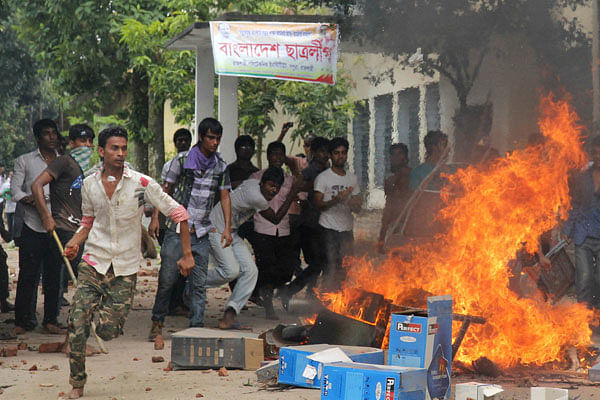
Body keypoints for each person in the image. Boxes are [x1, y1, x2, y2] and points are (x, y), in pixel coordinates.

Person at [62, 127, 194, 399]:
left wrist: (187, 253)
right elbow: (88, 222)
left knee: (109, 330)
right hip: (93, 262)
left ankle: (101, 322)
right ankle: (77, 382)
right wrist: (75, 242)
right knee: (77, 323)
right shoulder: (89, 184)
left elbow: (180, 213)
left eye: (123, 148)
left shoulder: (142, 184)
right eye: (114, 148)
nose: (121, 154)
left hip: (125, 267)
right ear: (101, 151)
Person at [149, 117, 232, 340]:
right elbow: (165, 190)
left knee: (199, 284)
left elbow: (224, 196)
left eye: (218, 138)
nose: (215, 143)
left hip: (202, 230)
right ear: (202, 138)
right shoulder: (182, 160)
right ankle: (157, 321)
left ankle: (196, 327)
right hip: (177, 229)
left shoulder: (220, 165)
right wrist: (155, 217)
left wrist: (227, 228)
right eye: (211, 138)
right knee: (167, 280)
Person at [208, 167, 291, 328]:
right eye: (271, 185)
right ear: (262, 183)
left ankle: (230, 313)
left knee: (251, 271)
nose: (274, 190)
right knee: (231, 271)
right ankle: (195, 282)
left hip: (231, 231)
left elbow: (236, 184)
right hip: (216, 229)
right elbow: (275, 218)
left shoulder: (252, 183)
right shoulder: (257, 198)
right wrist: (293, 191)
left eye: (277, 187)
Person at [31, 124, 95, 311]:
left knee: (61, 276)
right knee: (67, 275)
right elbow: (37, 185)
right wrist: (46, 217)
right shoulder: (64, 162)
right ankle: (54, 320)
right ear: (72, 143)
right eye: (83, 141)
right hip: (63, 227)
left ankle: (57, 318)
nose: (87, 145)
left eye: (90, 141)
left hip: (80, 229)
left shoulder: (86, 168)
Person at [11, 119, 62, 335]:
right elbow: (15, 191)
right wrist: (32, 200)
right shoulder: (24, 161)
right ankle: (23, 321)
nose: (51, 137)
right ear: (38, 138)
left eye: (54, 133)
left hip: (58, 225)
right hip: (33, 224)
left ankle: (51, 319)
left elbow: (75, 188)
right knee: (28, 274)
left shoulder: (64, 161)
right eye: (46, 134)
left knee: (55, 275)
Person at [250, 142, 302, 319]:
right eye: (274, 154)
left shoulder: (290, 179)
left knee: (286, 269)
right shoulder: (256, 178)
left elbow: (300, 198)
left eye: (281, 155)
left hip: (284, 230)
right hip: (263, 229)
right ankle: (268, 305)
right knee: (266, 268)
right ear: (268, 156)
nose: (278, 158)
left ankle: (273, 289)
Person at [280, 137, 330, 304]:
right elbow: (297, 187)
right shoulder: (310, 171)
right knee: (318, 262)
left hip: (323, 222)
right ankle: (292, 289)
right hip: (311, 222)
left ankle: (307, 291)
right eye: (322, 151)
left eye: (327, 151)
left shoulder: (328, 170)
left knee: (321, 262)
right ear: (314, 153)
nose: (325, 154)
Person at [313, 137, 362, 291]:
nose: (340, 156)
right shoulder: (323, 178)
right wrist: (335, 200)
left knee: (346, 267)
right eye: (336, 153)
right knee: (330, 267)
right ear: (330, 155)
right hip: (328, 229)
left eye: (343, 153)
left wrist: (351, 202)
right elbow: (318, 204)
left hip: (346, 230)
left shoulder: (352, 178)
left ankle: (340, 300)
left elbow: (358, 208)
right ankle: (326, 300)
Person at [563, 135, 600, 309]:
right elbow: (575, 203)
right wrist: (568, 229)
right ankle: (583, 319)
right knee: (584, 278)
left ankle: (597, 316)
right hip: (583, 234)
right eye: (595, 153)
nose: (598, 157)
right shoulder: (583, 175)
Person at [377, 143, 411, 252]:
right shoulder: (390, 180)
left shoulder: (412, 175)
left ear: (405, 157)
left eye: (399, 153)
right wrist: (381, 240)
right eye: (393, 154)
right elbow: (388, 210)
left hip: (410, 222)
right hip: (396, 224)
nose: (396, 157)